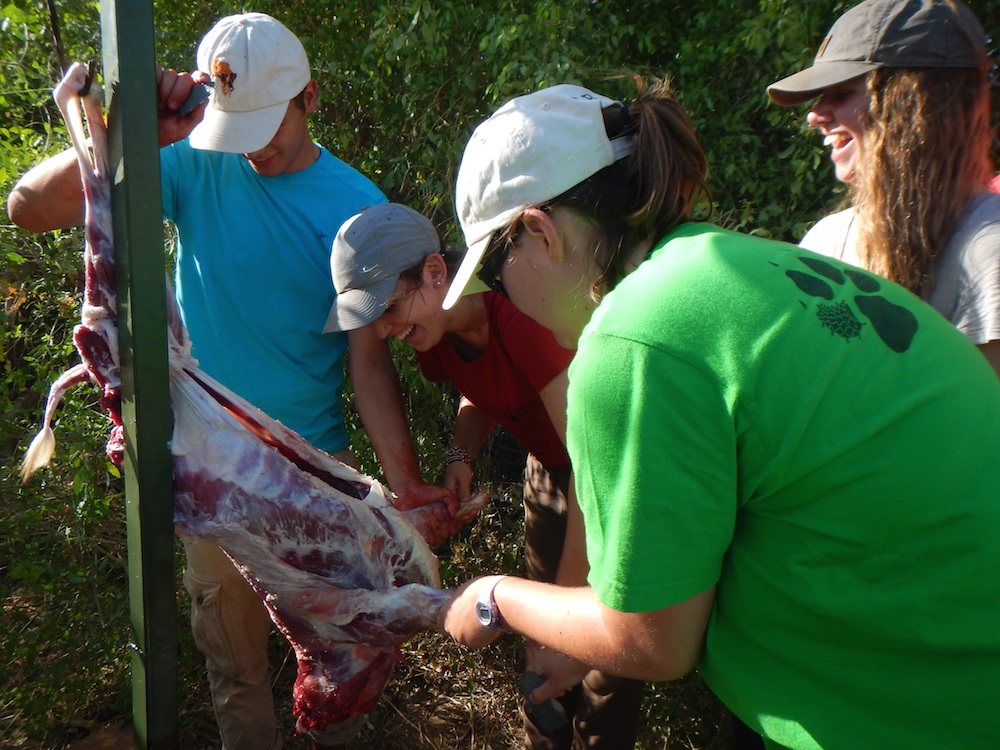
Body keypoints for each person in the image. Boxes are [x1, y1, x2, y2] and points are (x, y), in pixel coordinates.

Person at [435, 81, 1000, 749]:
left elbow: (651, 641)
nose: (503, 297)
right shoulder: (748, 262)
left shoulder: (634, 337)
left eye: (496, 274)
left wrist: (494, 598)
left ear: (540, 232)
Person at [7, 13, 385, 750]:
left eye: (269, 124)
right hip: (211, 472)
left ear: (310, 97)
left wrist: (402, 486)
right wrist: (130, 130)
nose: (254, 147)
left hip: (313, 470)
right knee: (235, 669)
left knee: (342, 663)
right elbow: (28, 209)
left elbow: (368, 363)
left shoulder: (354, 202)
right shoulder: (193, 158)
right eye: (239, 127)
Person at [324, 201, 645, 750]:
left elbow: (595, 467)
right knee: (542, 634)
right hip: (551, 471)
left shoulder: (520, 317)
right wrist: (460, 455)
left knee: (596, 643)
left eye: (389, 306)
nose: (382, 328)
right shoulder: (438, 329)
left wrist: (568, 613)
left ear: (435, 271)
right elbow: (481, 388)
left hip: (612, 475)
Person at [766, 0, 1000, 375]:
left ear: (915, 104)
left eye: (841, 93)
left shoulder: (990, 247)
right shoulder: (826, 240)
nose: (814, 115)